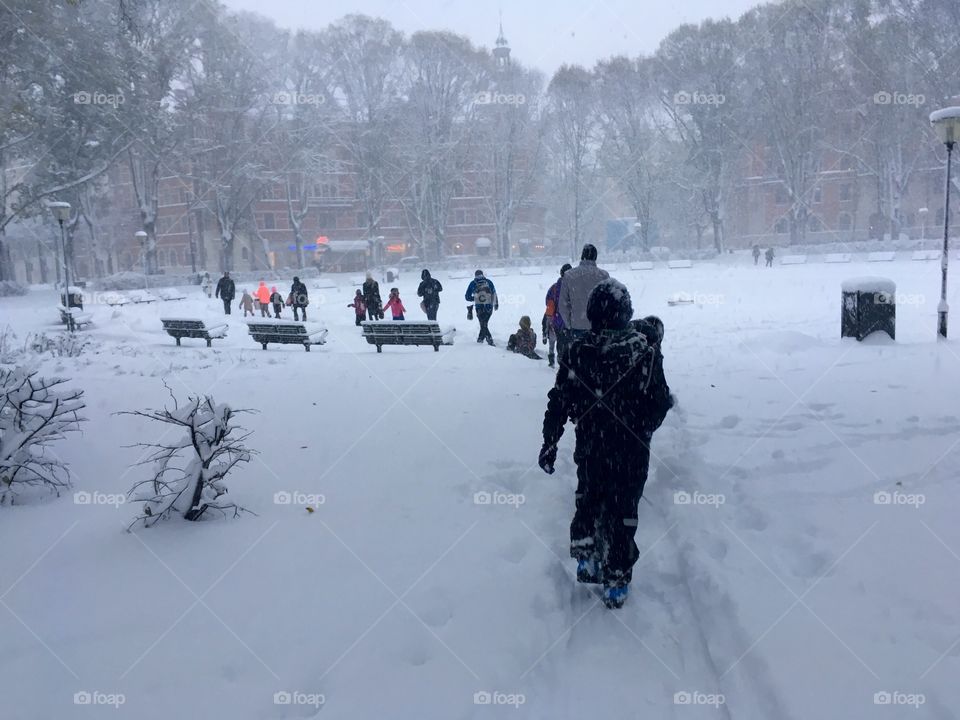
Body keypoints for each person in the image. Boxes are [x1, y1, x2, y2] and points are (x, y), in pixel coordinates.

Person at [538, 279, 673, 609]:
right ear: (626, 312)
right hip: (631, 451)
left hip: (591, 447)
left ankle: (587, 556)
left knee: (589, 498)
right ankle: (616, 579)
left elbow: (559, 400)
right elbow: (659, 402)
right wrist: (641, 429)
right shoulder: (645, 353)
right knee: (624, 511)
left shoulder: (577, 352)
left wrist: (550, 442)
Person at [559, 244, 610, 348]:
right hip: (598, 326)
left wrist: (569, 324)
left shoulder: (569, 275)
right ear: (595, 257)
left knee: (579, 354)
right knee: (598, 355)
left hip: (577, 325)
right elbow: (608, 302)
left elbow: (563, 305)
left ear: (582, 256)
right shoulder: (603, 276)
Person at [542, 263, 572, 368]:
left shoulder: (554, 288)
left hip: (557, 321)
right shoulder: (574, 287)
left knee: (558, 342)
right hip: (572, 321)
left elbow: (548, 303)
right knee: (569, 343)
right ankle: (568, 363)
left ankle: (557, 360)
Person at [464, 269, 498, 345]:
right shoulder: (489, 282)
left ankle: (489, 341)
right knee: (484, 324)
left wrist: (476, 298)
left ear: (475, 275)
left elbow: (467, 297)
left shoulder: (473, 283)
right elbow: (494, 293)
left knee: (483, 324)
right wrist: (496, 304)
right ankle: (481, 339)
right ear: (483, 274)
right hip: (489, 306)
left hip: (479, 307)